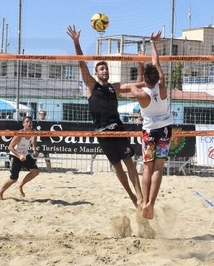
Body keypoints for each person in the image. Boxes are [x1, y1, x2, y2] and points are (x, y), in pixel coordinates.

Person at [67, 25, 143, 208]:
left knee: (130, 164)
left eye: (106, 68)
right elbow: (81, 63)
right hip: (102, 132)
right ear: (96, 72)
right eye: (101, 69)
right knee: (118, 167)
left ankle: (140, 197)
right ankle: (133, 198)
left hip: (118, 128)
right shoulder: (91, 86)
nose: (104, 71)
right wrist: (76, 42)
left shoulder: (113, 87)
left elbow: (138, 84)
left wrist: (141, 63)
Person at [127, 30, 173, 219]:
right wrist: (153, 43)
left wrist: (139, 65)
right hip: (165, 128)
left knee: (147, 167)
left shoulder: (140, 93)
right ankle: (151, 204)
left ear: (145, 79)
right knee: (158, 169)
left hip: (149, 131)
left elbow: (133, 85)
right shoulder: (162, 86)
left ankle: (144, 200)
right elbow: (156, 63)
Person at [0, 115, 40, 199]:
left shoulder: (34, 132)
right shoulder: (20, 134)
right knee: (13, 178)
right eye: (27, 122)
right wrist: (19, 155)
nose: (29, 123)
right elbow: (10, 147)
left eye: (30, 122)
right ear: (23, 124)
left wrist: (34, 150)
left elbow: (34, 140)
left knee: (35, 172)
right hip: (15, 155)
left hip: (25, 154)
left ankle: (20, 186)